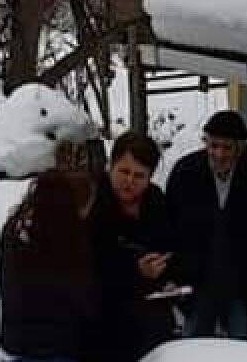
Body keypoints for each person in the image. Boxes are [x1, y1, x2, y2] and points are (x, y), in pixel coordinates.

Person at [165, 110, 247, 340]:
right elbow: (169, 225)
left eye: (227, 148)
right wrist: (172, 273)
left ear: (240, 148)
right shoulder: (185, 173)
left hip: (246, 286)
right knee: (192, 345)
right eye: (213, 146)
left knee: (243, 345)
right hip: (199, 282)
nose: (219, 154)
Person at [87, 132, 176, 360]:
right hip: (104, 316)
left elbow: (169, 242)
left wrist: (166, 269)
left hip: (152, 310)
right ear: (111, 166)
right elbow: (91, 263)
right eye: (123, 172)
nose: (129, 182)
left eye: (139, 176)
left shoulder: (155, 200)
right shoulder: (91, 201)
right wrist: (135, 270)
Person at [0, 168, 98, 362]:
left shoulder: (16, 228)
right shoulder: (64, 245)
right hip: (54, 348)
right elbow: (85, 301)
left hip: (15, 341)